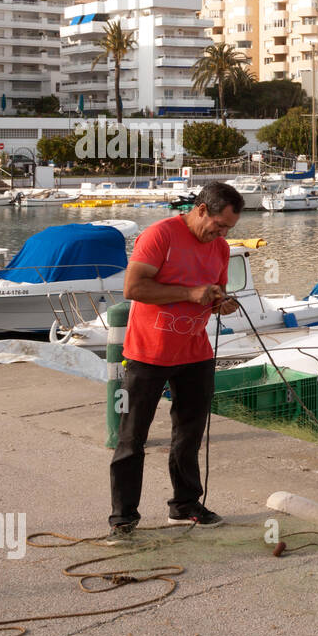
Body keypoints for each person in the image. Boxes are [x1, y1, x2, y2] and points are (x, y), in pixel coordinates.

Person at [106, 182, 244, 543]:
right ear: (201, 210)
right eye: (219, 224)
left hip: (195, 353)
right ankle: (123, 518)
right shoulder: (159, 235)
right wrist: (189, 293)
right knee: (132, 439)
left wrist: (220, 302)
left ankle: (184, 506)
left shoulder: (221, 248)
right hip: (148, 354)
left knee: (188, 435)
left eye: (229, 228)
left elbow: (213, 294)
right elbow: (133, 289)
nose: (223, 232)